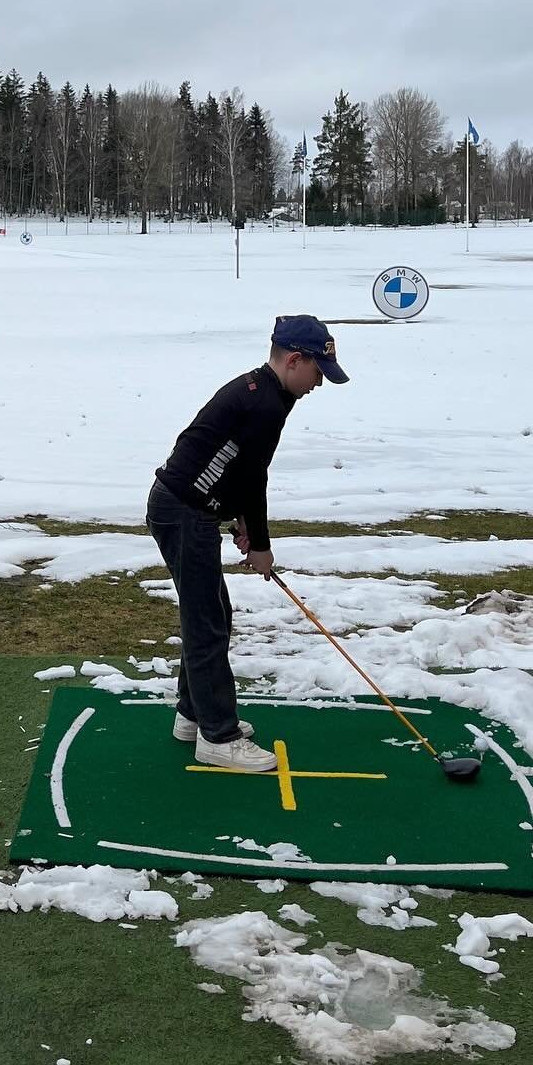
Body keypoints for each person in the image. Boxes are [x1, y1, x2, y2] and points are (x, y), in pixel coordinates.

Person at [147, 315, 348, 772]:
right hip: (182, 511)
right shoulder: (265, 405)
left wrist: (236, 516)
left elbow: (236, 468)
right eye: (318, 372)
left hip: (191, 508)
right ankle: (217, 737)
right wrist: (259, 542)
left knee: (214, 614)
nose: (319, 383)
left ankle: (193, 713)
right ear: (295, 360)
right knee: (205, 622)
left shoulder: (267, 391)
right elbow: (254, 477)